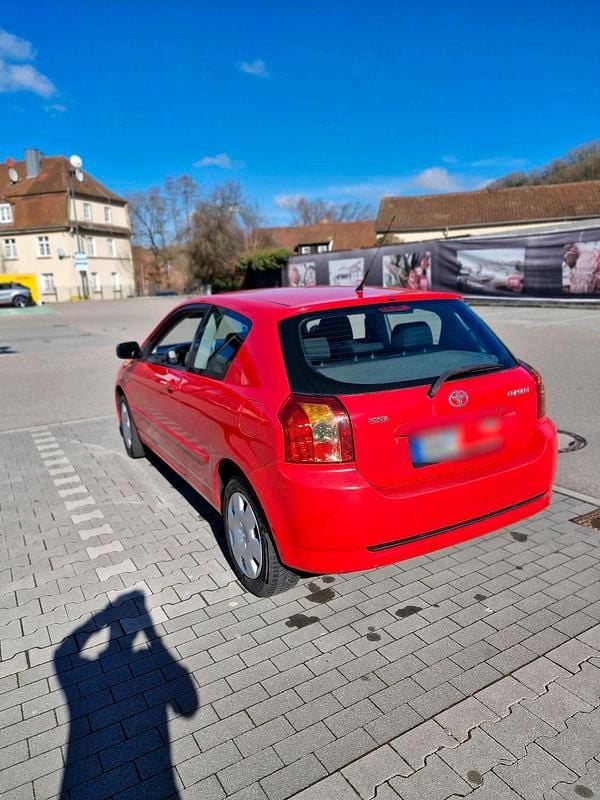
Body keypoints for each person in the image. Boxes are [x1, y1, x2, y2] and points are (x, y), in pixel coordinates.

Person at [54, 592, 198, 799]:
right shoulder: (144, 662)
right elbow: (187, 709)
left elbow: (62, 655)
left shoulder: (87, 674)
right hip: (161, 782)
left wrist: (101, 619)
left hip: (80, 780)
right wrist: (155, 640)